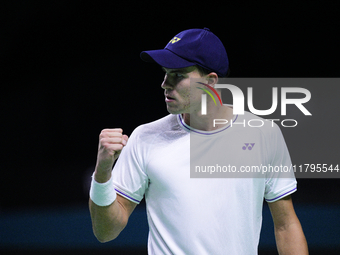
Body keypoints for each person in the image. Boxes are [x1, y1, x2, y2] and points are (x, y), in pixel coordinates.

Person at [89, 28, 308, 254]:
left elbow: (286, 226)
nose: (165, 83)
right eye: (165, 72)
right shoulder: (145, 137)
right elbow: (105, 232)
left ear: (210, 81)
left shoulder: (264, 134)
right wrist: (103, 172)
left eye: (179, 75)